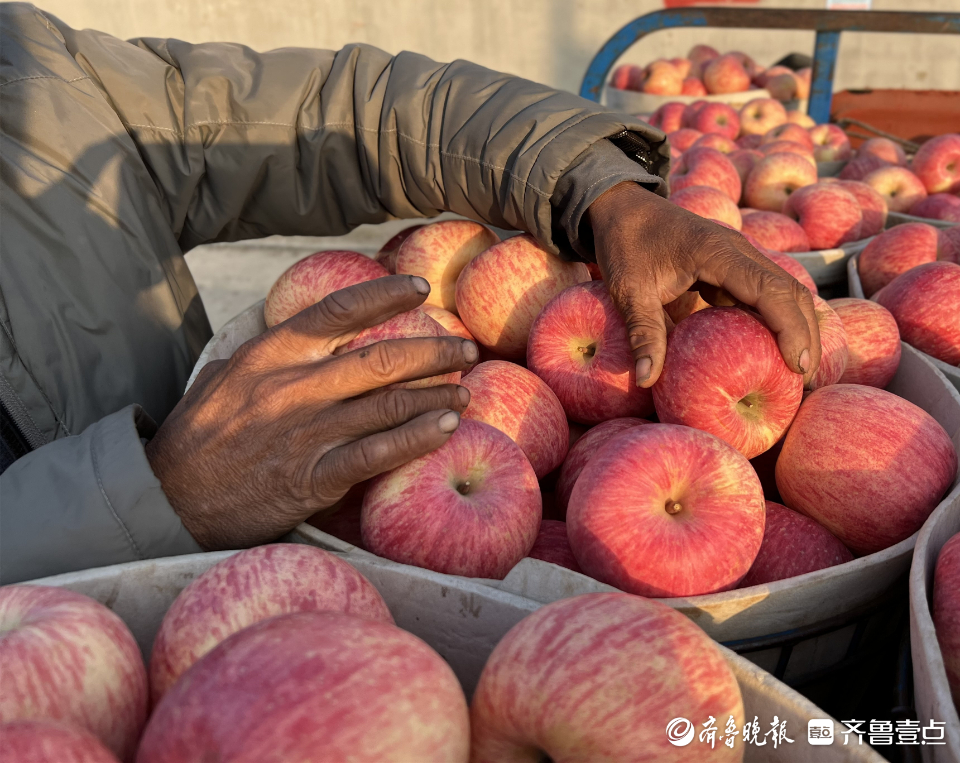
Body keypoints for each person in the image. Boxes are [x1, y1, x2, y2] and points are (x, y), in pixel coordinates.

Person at [0, 3, 820, 583]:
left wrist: (600, 187)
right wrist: (152, 497)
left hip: (260, 548)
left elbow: (346, 112)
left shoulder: (29, 70)